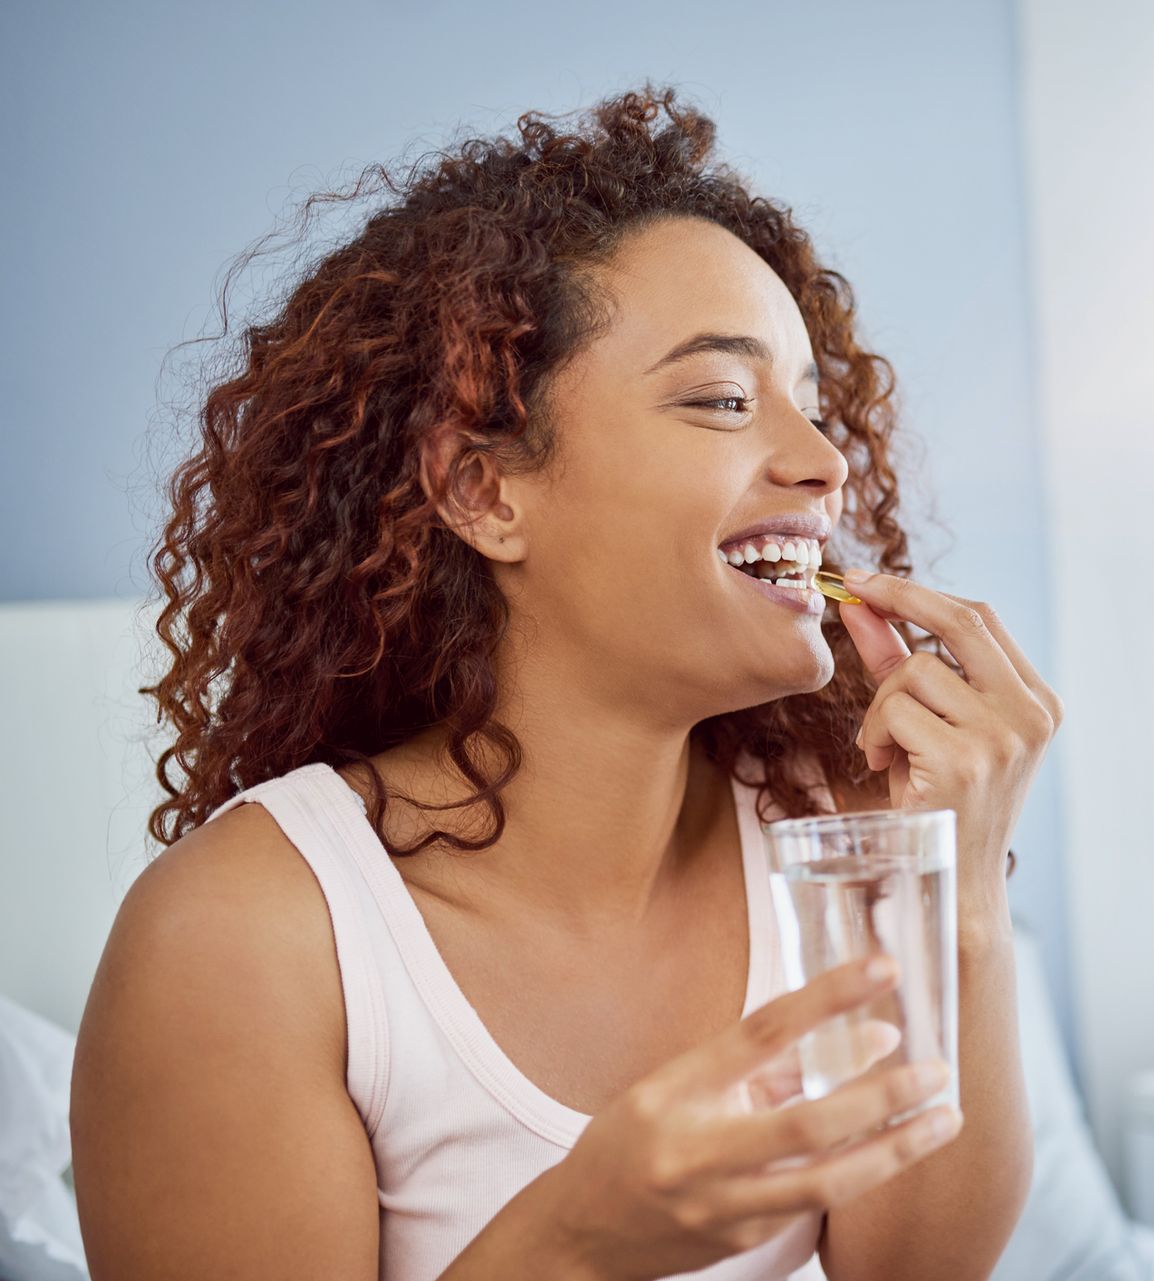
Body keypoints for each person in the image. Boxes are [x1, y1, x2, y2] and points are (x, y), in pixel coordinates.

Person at [70, 84, 1054, 1281]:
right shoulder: (244, 939)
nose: (823, 461)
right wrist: (578, 1239)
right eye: (724, 400)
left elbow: (908, 1274)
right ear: (485, 492)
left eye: (814, 403)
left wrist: (953, 899)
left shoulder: (837, 833)